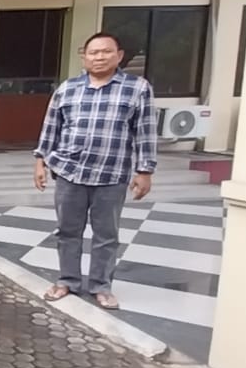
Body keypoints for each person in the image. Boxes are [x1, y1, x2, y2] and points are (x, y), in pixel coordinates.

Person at [33, 31, 157, 310]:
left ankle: (101, 285)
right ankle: (68, 280)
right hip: (70, 172)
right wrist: (40, 161)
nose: (99, 57)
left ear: (119, 56)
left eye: (106, 51)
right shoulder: (68, 88)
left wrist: (145, 170)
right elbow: (51, 127)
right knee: (67, 231)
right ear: (84, 57)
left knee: (106, 235)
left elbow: (145, 131)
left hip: (111, 175)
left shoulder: (136, 88)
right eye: (93, 52)